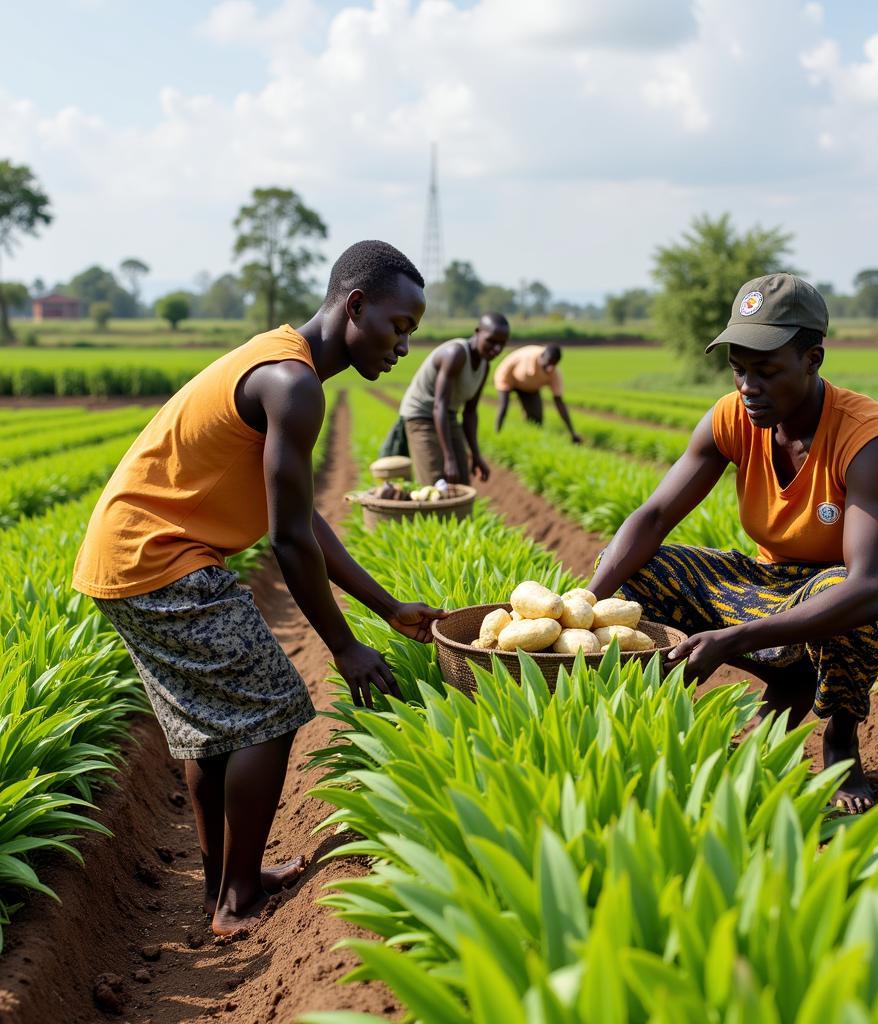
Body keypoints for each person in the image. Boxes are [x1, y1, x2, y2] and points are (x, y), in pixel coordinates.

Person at [73, 240, 447, 936]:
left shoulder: (285, 364)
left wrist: (387, 609)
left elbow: (301, 515)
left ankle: (225, 886)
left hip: (131, 555)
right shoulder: (293, 382)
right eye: (399, 327)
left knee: (217, 733)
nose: (403, 346)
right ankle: (237, 897)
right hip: (159, 557)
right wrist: (344, 648)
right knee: (271, 710)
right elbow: (289, 541)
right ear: (354, 304)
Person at [588, 274, 878, 815]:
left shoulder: (865, 436)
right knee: (637, 573)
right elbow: (654, 516)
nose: (748, 386)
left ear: (813, 359)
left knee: (846, 594)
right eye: (739, 369)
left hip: (874, 596)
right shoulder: (732, 416)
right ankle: (779, 680)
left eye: (767, 371)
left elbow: (868, 587)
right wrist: (582, 606)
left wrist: (731, 640)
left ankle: (840, 742)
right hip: (778, 587)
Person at [398, 313, 509, 484]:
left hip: (447, 415)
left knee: (462, 479)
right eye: (491, 341)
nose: (496, 349)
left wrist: (476, 455)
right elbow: (439, 406)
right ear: (478, 332)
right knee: (436, 481)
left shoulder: (484, 366)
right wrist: (449, 459)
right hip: (420, 415)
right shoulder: (455, 354)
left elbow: (470, 413)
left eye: (501, 345)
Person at [493, 343, 582, 443]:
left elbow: (559, 402)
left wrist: (572, 432)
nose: (550, 368)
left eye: (554, 364)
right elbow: (510, 373)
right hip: (507, 377)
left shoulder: (554, 373)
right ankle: (497, 432)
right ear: (542, 357)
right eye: (548, 363)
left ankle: (529, 439)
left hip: (529, 386)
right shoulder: (528, 358)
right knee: (503, 406)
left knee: (537, 418)